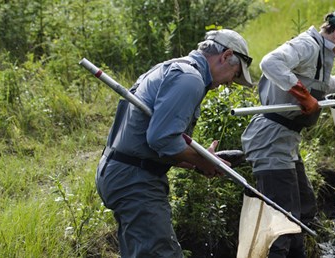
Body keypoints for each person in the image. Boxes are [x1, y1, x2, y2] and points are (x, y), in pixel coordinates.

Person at [95, 29, 253, 258]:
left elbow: (157, 141)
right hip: (135, 181)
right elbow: (161, 138)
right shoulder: (190, 79)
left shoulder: (173, 68)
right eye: (234, 74)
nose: (230, 83)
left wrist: (200, 164)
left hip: (124, 172)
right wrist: (202, 159)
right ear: (225, 55)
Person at [241, 8, 335, 257]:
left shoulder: (321, 53)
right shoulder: (307, 44)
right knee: (283, 222)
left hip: (287, 141)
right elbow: (270, 62)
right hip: (270, 139)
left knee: (305, 210)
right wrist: (303, 96)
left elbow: (313, 82)